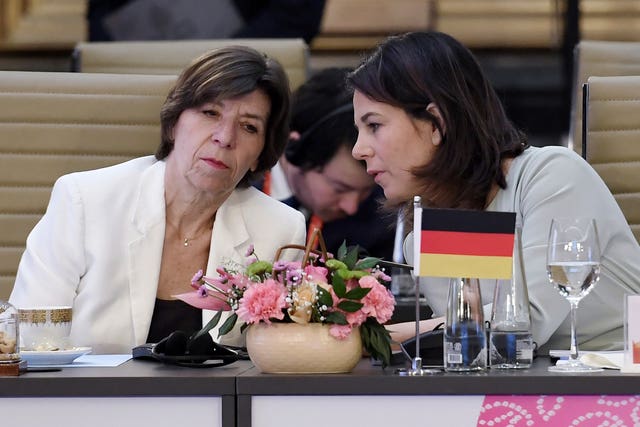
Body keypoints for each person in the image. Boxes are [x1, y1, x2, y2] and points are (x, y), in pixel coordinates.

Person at [347, 31, 640, 353]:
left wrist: (374, 339)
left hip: (621, 377)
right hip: (524, 385)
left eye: (374, 126)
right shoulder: (424, 233)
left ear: (437, 124)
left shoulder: (553, 174)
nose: (359, 150)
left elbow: (524, 321)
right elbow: (468, 346)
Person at [9, 46, 306, 354]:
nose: (225, 137)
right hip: (87, 399)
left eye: (249, 127)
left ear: (260, 155)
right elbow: (30, 341)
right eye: (210, 113)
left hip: (216, 403)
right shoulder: (84, 201)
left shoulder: (279, 229)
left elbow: (276, 358)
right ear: (174, 123)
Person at [268, 67, 395, 260]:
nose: (351, 207)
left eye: (365, 191)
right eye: (340, 188)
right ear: (296, 149)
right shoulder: (235, 194)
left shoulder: (379, 221)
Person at [88, 0, 326, 44]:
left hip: (238, 77)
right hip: (137, 71)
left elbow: (297, 15)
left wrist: (216, 57)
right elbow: (101, 13)